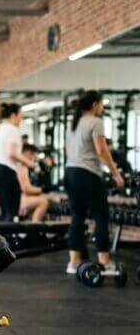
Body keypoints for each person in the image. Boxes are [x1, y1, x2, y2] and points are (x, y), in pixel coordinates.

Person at [64, 90, 124, 275]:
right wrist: (116, 174)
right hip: (88, 174)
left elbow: (68, 151)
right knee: (101, 218)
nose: (102, 107)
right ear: (94, 104)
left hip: (70, 173)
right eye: (101, 103)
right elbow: (102, 151)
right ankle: (104, 263)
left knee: (77, 218)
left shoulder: (72, 124)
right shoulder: (96, 122)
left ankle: (73, 263)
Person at [0, 103, 36, 221]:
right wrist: (29, 163)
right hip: (5, 172)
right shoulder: (12, 130)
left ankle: (2, 238)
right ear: (14, 115)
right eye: (21, 115)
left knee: (5, 212)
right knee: (12, 212)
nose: (21, 118)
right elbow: (12, 153)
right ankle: (8, 239)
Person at [17, 144, 49, 222]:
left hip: (17, 198)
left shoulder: (24, 167)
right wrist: (41, 190)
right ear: (25, 153)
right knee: (43, 202)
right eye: (32, 154)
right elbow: (26, 189)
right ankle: (35, 229)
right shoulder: (21, 166)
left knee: (42, 199)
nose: (33, 157)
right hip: (11, 201)